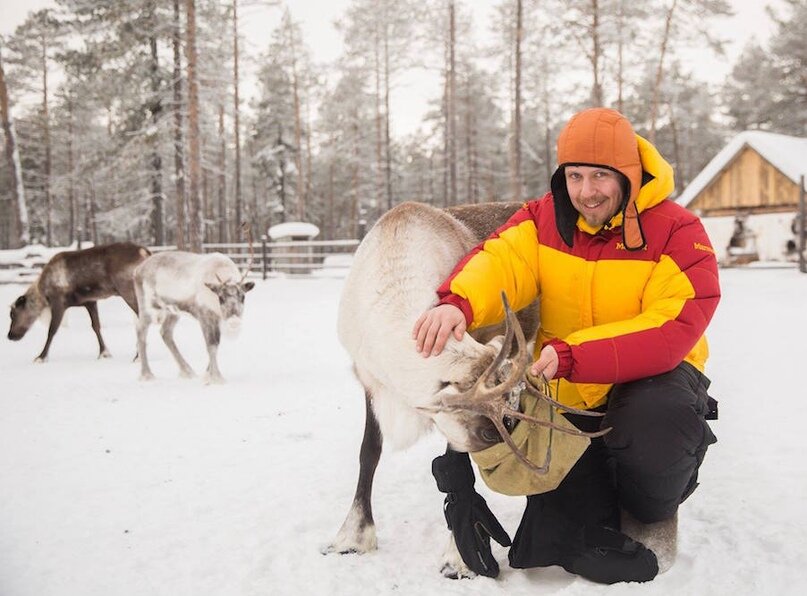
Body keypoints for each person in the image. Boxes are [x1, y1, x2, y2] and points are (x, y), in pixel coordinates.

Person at [415, 107, 720, 584]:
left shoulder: (678, 231)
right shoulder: (544, 219)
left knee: (655, 427)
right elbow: (499, 261)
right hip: (567, 391)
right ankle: (597, 482)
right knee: (562, 540)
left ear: (629, 174)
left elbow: (671, 329)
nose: (586, 191)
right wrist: (458, 303)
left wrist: (576, 355)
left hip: (652, 382)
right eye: (574, 176)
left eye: (600, 175)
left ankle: (653, 496)